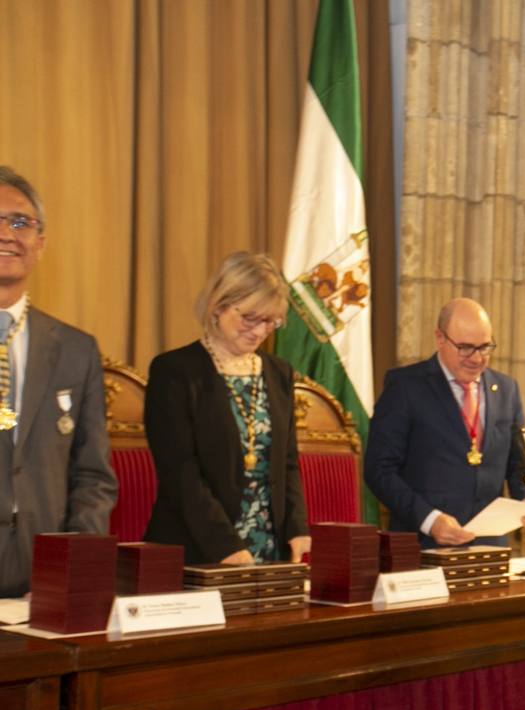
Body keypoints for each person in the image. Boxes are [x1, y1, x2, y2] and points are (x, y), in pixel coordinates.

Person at [143, 252, 309, 564]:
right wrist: (226, 547)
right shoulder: (175, 372)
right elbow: (181, 474)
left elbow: (287, 463)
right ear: (218, 306)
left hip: (270, 548)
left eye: (270, 322)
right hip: (198, 549)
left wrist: (298, 528)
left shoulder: (278, 373)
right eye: (250, 318)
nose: (259, 332)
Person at [0, 166, 117, 597]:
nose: (7, 233)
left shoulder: (75, 349)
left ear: (40, 243)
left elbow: (94, 476)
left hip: (41, 584)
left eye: (20, 222)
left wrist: (72, 570)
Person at [364, 298, 525, 548]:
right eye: (466, 347)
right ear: (440, 338)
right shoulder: (405, 387)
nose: (477, 359)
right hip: (423, 548)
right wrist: (430, 520)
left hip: (489, 548)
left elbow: (517, 465)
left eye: (485, 347)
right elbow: (379, 470)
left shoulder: (506, 389)